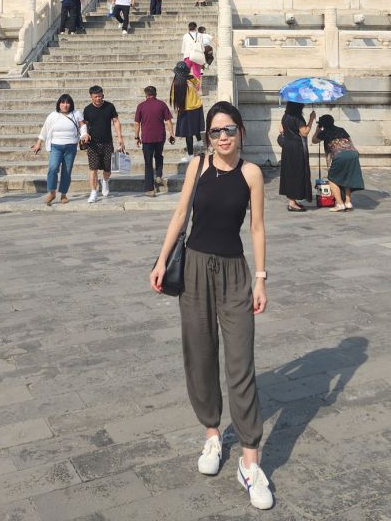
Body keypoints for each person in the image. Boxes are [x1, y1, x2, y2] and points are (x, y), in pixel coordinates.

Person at [150, 101, 273, 511]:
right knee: (200, 354)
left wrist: (260, 277)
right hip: (196, 269)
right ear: (208, 136)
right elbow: (180, 213)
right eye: (216, 131)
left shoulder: (252, 173)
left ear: (241, 132)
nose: (224, 137)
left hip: (236, 272)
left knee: (240, 361)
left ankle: (250, 462)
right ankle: (212, 435)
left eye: (230, 130)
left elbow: (256, 227)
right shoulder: (197, 166)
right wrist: (162, 259)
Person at [32, 94, 87, 205]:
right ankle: (52, 192)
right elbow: (45, 130)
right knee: (53, 168)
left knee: (66, 171)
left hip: (71, 146)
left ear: (71, 104)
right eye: (63, 102)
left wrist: (84, 134)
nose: (65, 105)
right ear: (59, 104)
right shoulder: (53, 115)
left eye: (67, 103)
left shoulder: (76, 114)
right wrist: (38, 144)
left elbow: (82, 126)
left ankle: (63, 194)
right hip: (55, 146)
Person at [312, 113, 365, 212]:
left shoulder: (325, 132)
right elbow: (349, 141)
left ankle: (340, 204)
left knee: (332, 179)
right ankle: (348, 203)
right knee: (347, 177)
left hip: (340, 155)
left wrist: (317, 131)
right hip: (353, 154)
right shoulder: (341, 129)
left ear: (322, 125)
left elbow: (314, 140)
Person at [83, 86, 124, 203]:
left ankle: (105, 181)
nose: (98, 98)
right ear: (91, 97)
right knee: (93, 168)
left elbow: (115, 121)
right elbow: (84, 124)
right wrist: (84, 135)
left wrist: (120, 137)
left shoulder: (109, 107)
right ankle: (93, 192)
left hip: (107, 142)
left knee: (108, 168)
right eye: (95, 96)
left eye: (100, 96)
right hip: (92, 144)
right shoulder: (87, 110)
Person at [134, 85, 175, 196]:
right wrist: (172, 134)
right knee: (158, 156)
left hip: (147, 138)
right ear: (155, 93)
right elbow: (168, 121)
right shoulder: (162, 104)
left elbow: (137, 123)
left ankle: (150, 189)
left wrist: (137, 137)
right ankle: (158, 175)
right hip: (160, 137)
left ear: (146, 94)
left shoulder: (141, 106)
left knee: (148, 163)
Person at [278, 102, 313, 211]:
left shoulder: (285, 116)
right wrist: (311, 119)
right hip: (296, 148)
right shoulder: (298, 118)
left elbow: (280, 129)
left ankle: (292, 200)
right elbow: (304, 132)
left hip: (287, 147)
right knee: (297, 173)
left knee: (289, 172)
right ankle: (292, 203)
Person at [170, 61, 204, 161]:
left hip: (186, 110)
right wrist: (191, 77)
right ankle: (199, 140)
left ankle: (190, 155)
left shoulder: (176, 83)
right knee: (196, 126)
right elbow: (198, 83)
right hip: (197, 107)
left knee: (188, 133)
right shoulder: (191, 79)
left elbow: (173, 98)